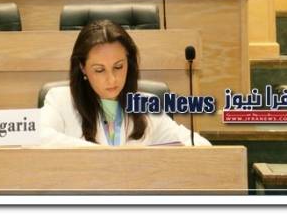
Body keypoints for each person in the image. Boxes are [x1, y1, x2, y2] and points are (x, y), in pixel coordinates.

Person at [40, 19, 212, 146]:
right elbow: (38, 137)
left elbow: (197, 144)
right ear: (83, 68)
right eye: (99, 70)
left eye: (118, 67)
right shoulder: (60, 100)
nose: (112, 79)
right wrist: (108, 156)